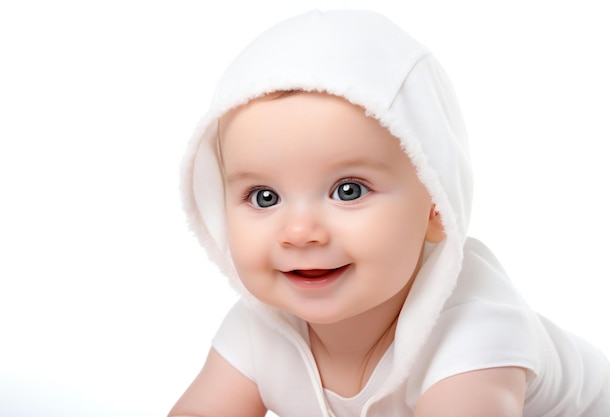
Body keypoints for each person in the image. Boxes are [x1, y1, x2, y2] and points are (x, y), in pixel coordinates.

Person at [169, 9, 610, 417]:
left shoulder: (477, 326)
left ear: (437, 205)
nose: (299, 232)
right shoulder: (260, 327)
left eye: (348, 190)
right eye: (264, 197)